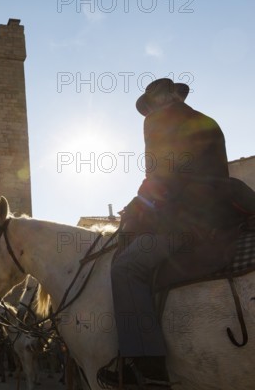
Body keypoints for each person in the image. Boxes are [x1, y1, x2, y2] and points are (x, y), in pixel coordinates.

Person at [109, 78, 249, 387]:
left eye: (149, 107)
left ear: (158, 101)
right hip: (222, 214)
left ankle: (147, 367)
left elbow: (158, 178)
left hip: (186, 222)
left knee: (125, 268)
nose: (148, 114)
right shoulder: (207, 120)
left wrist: (135, 207)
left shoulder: (159, 121)